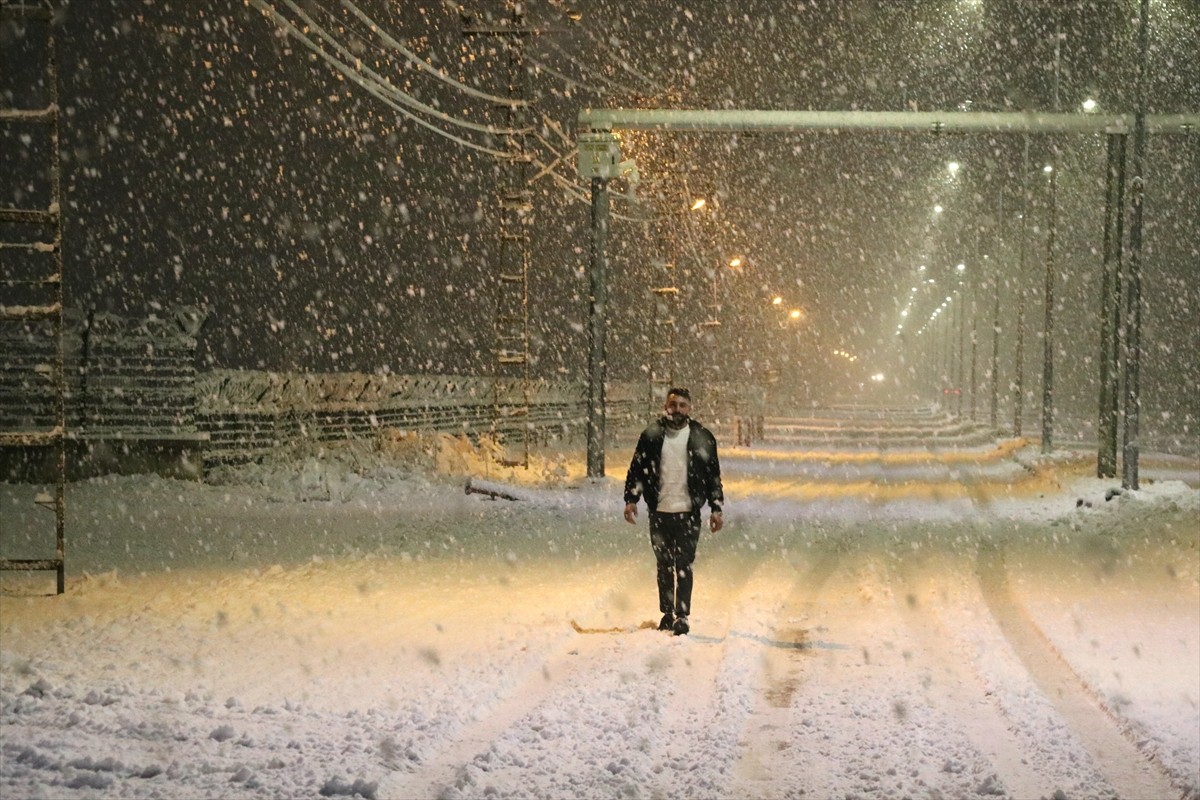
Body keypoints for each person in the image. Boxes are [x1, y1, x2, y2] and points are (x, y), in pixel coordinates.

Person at [623, 387, 724, 636]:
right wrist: (631, 499)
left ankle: (682, 615)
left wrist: (716, 508)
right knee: (664, 564)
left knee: (684, 564)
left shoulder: (702, 437)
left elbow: (713, 476)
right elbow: (637, 468)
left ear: (689, 408)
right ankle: (667, 613)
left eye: (682, 405)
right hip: (659, 510)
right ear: (665, 407)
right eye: (672, 404)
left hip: (688, 511)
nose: (676, 409)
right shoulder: (651, 435)